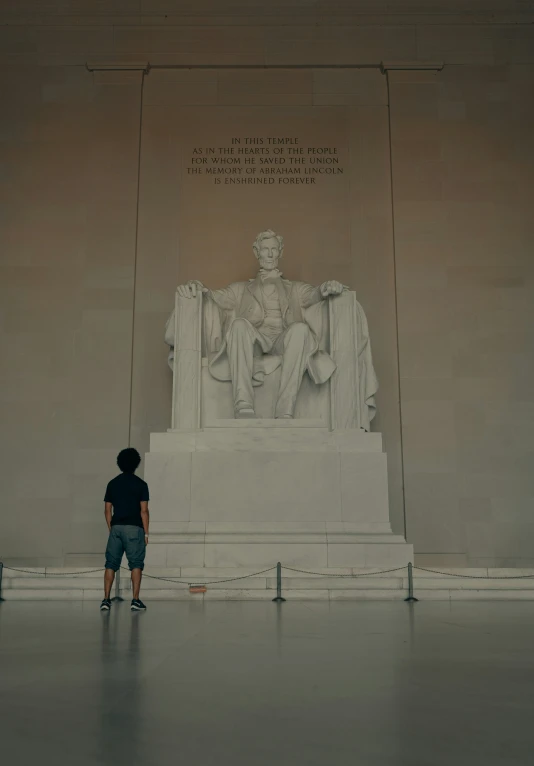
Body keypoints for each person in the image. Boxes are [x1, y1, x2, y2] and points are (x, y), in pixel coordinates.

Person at [168, 229, 344, 419]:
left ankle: (285, 409)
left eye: (274, 249)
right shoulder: (240, 290)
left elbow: (314, 294)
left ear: (281, 252)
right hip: (255, 342)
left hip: (284, 341)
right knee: (238, 325)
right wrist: (196, 286)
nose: (269, 254)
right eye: (265, 249)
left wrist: (326, 287)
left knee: (301, 330)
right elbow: (212, 296)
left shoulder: (295, 288)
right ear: (256, 252)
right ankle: (243, 404)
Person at [100, 448, 149, 612]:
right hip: (134, 529)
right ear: (136, 464)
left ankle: (106, 600)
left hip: (116, 528)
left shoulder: (112, 483)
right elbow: (144, 511)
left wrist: (111, 528)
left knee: (111, 564)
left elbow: (107, 510)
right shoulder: (141, 484)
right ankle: (135, 600)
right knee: (136, 564)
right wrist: (147, 533)